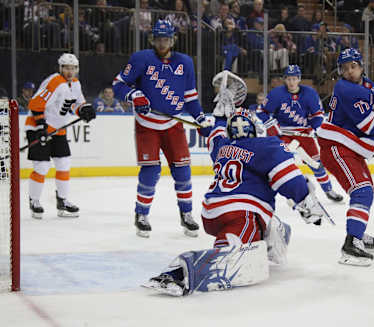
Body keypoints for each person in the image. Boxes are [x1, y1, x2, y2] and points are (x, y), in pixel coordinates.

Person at [143, 107, 328, 296]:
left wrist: (214, 121)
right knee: (236, 256)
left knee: (265, 223)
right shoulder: (268, 145)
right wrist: (307, 203)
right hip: (242, 213)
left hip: (211, 214)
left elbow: (214, 134)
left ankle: (269, 234)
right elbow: (289, 179)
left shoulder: (222, 147)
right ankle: (179, 273)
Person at [112, 20, 211, 238]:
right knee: (150, 171)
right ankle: (141, 214)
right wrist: (134, 95)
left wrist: (201, 118)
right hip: (147, 124)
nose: (162, 42)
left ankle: (186, 214)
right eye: (158, 38)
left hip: (173, 123)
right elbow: (118, 84)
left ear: (173, 39)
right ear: (152, 39)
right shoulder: (141, 58)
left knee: (183, 171)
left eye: (166, 38)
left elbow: (190, 97)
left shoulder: (185, 62)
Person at [315, 48, 374, 266]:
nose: (350, 72)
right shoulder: (345, 89)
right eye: (345, 69)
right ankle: (351, 244)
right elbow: (369, 124)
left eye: (353, 66)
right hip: (337, 146)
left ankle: (358, 232)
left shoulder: (368, 85)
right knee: (362, 190)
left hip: (350, 148)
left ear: (361, 67)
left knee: (367, 191)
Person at [257, 65, 344, 203]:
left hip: (304, 134)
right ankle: (264, 193)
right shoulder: (276, 94)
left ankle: (328, 190)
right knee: (277, 164)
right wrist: (271, 127)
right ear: (285, 79)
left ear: (299, 79)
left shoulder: (309, 93)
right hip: (282, 134)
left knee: (317, 164)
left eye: (294, 79)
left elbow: (317, 115)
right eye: (289, 79)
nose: (291, 82)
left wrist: (314, 128)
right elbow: (262, 112)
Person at [25, 53, 96, 219]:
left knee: (64, 164)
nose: (70, 71)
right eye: (66, 68)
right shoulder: (55, 81)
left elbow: (77, 104)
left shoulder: (75, 84)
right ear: (60, 68)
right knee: (42, 166)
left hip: (58, 129)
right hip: (38, 127)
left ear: (77, 69)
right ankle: (34, 200)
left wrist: (85, 110)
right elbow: (35, 104)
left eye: (73, 68)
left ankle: (62, 201)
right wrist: (41, 127)